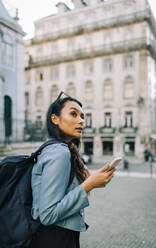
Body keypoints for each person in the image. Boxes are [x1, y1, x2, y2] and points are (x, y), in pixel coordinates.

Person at [30, 92, 115, 248]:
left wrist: (92, 179)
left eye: (82, 116)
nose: (81, 121)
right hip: (56, 238)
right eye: (73, 114)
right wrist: (89, 184)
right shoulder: (59, 153)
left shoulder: (56, 147)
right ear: (54, 118)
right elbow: (48, 215)